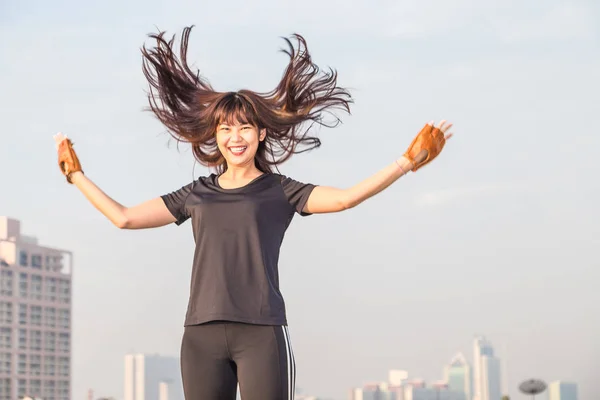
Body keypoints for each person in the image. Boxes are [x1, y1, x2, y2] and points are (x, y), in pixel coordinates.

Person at [53, 26, 453, 400]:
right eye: (225, 129)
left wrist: (406, 162)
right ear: (216, 137)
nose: (234, 137)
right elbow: (123, 217)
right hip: (200, 335)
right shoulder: (197, 193)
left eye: (244, 128)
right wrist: (75, 175)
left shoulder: (280, 191)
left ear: (261, 133)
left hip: (260, 332)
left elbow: (347, 198)